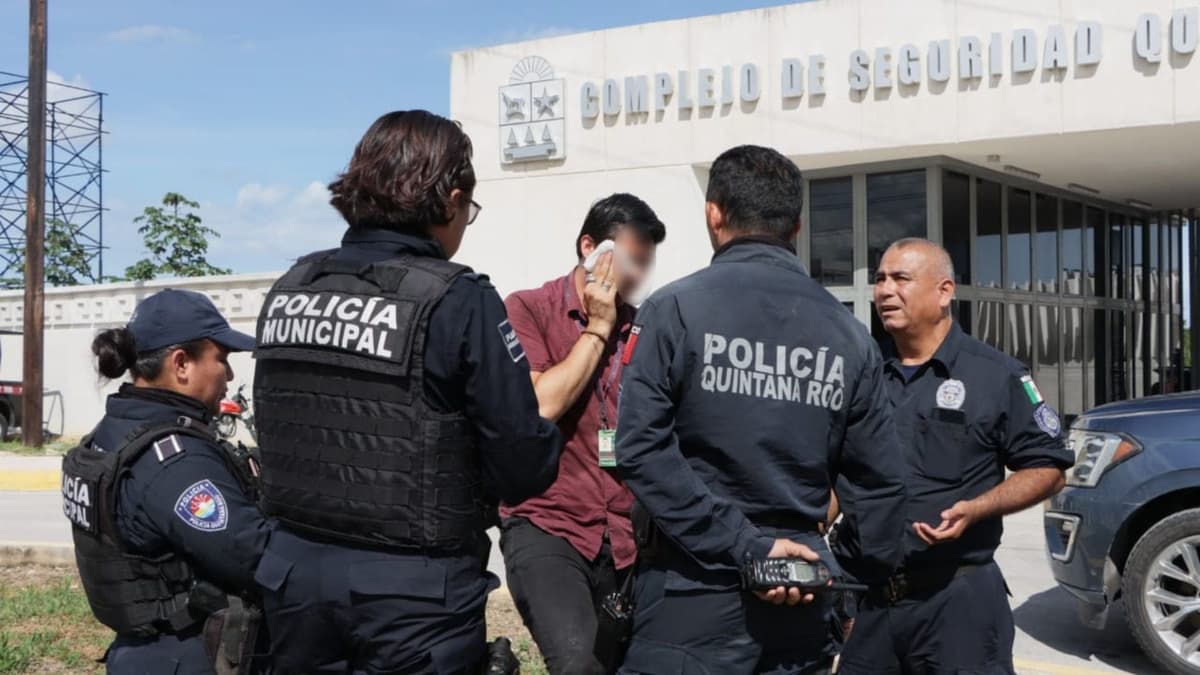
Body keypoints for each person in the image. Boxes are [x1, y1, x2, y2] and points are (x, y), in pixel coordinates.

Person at [251, 109, 562, 674]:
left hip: (293, 581)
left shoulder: (292, 287)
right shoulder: (459, 298)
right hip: (413, 599)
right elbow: (523, 461)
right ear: (451, 198)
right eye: (469, 207)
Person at [614, 144, 908, 674]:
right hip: (801, 589)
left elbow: (639, 449)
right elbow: (881, 486)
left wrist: (747, 548)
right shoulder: (849, 335)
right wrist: (836, 575)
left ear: (713, 214)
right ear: (796, 226)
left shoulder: (675, 308)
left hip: (694, 589)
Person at [836, 238, 1073, 675]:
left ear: (944, 291)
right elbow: (839, 473)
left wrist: (978, 508)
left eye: (900, 279)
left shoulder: (997, 375)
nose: (885, 291)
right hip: (869, 601)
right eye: (880, 279)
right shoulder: (863, 374)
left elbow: (1048, 468)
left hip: (957, 603)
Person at [62, 289, 270, 674]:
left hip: (143, 650)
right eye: (221, 359)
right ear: (181, 364)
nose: (229, 374)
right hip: (189, 653)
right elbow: (254, 558)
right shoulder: (176, 459)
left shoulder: (109, 433)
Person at [500, 193, 666, 674]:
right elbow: (541, 404)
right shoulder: (528, 309)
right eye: (630, 259)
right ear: (588, 246)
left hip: (626, 534)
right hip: (548, 522)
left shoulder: (645, 328)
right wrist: (598, 326)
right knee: (577, 662)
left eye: (646, 264)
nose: (635, 276)